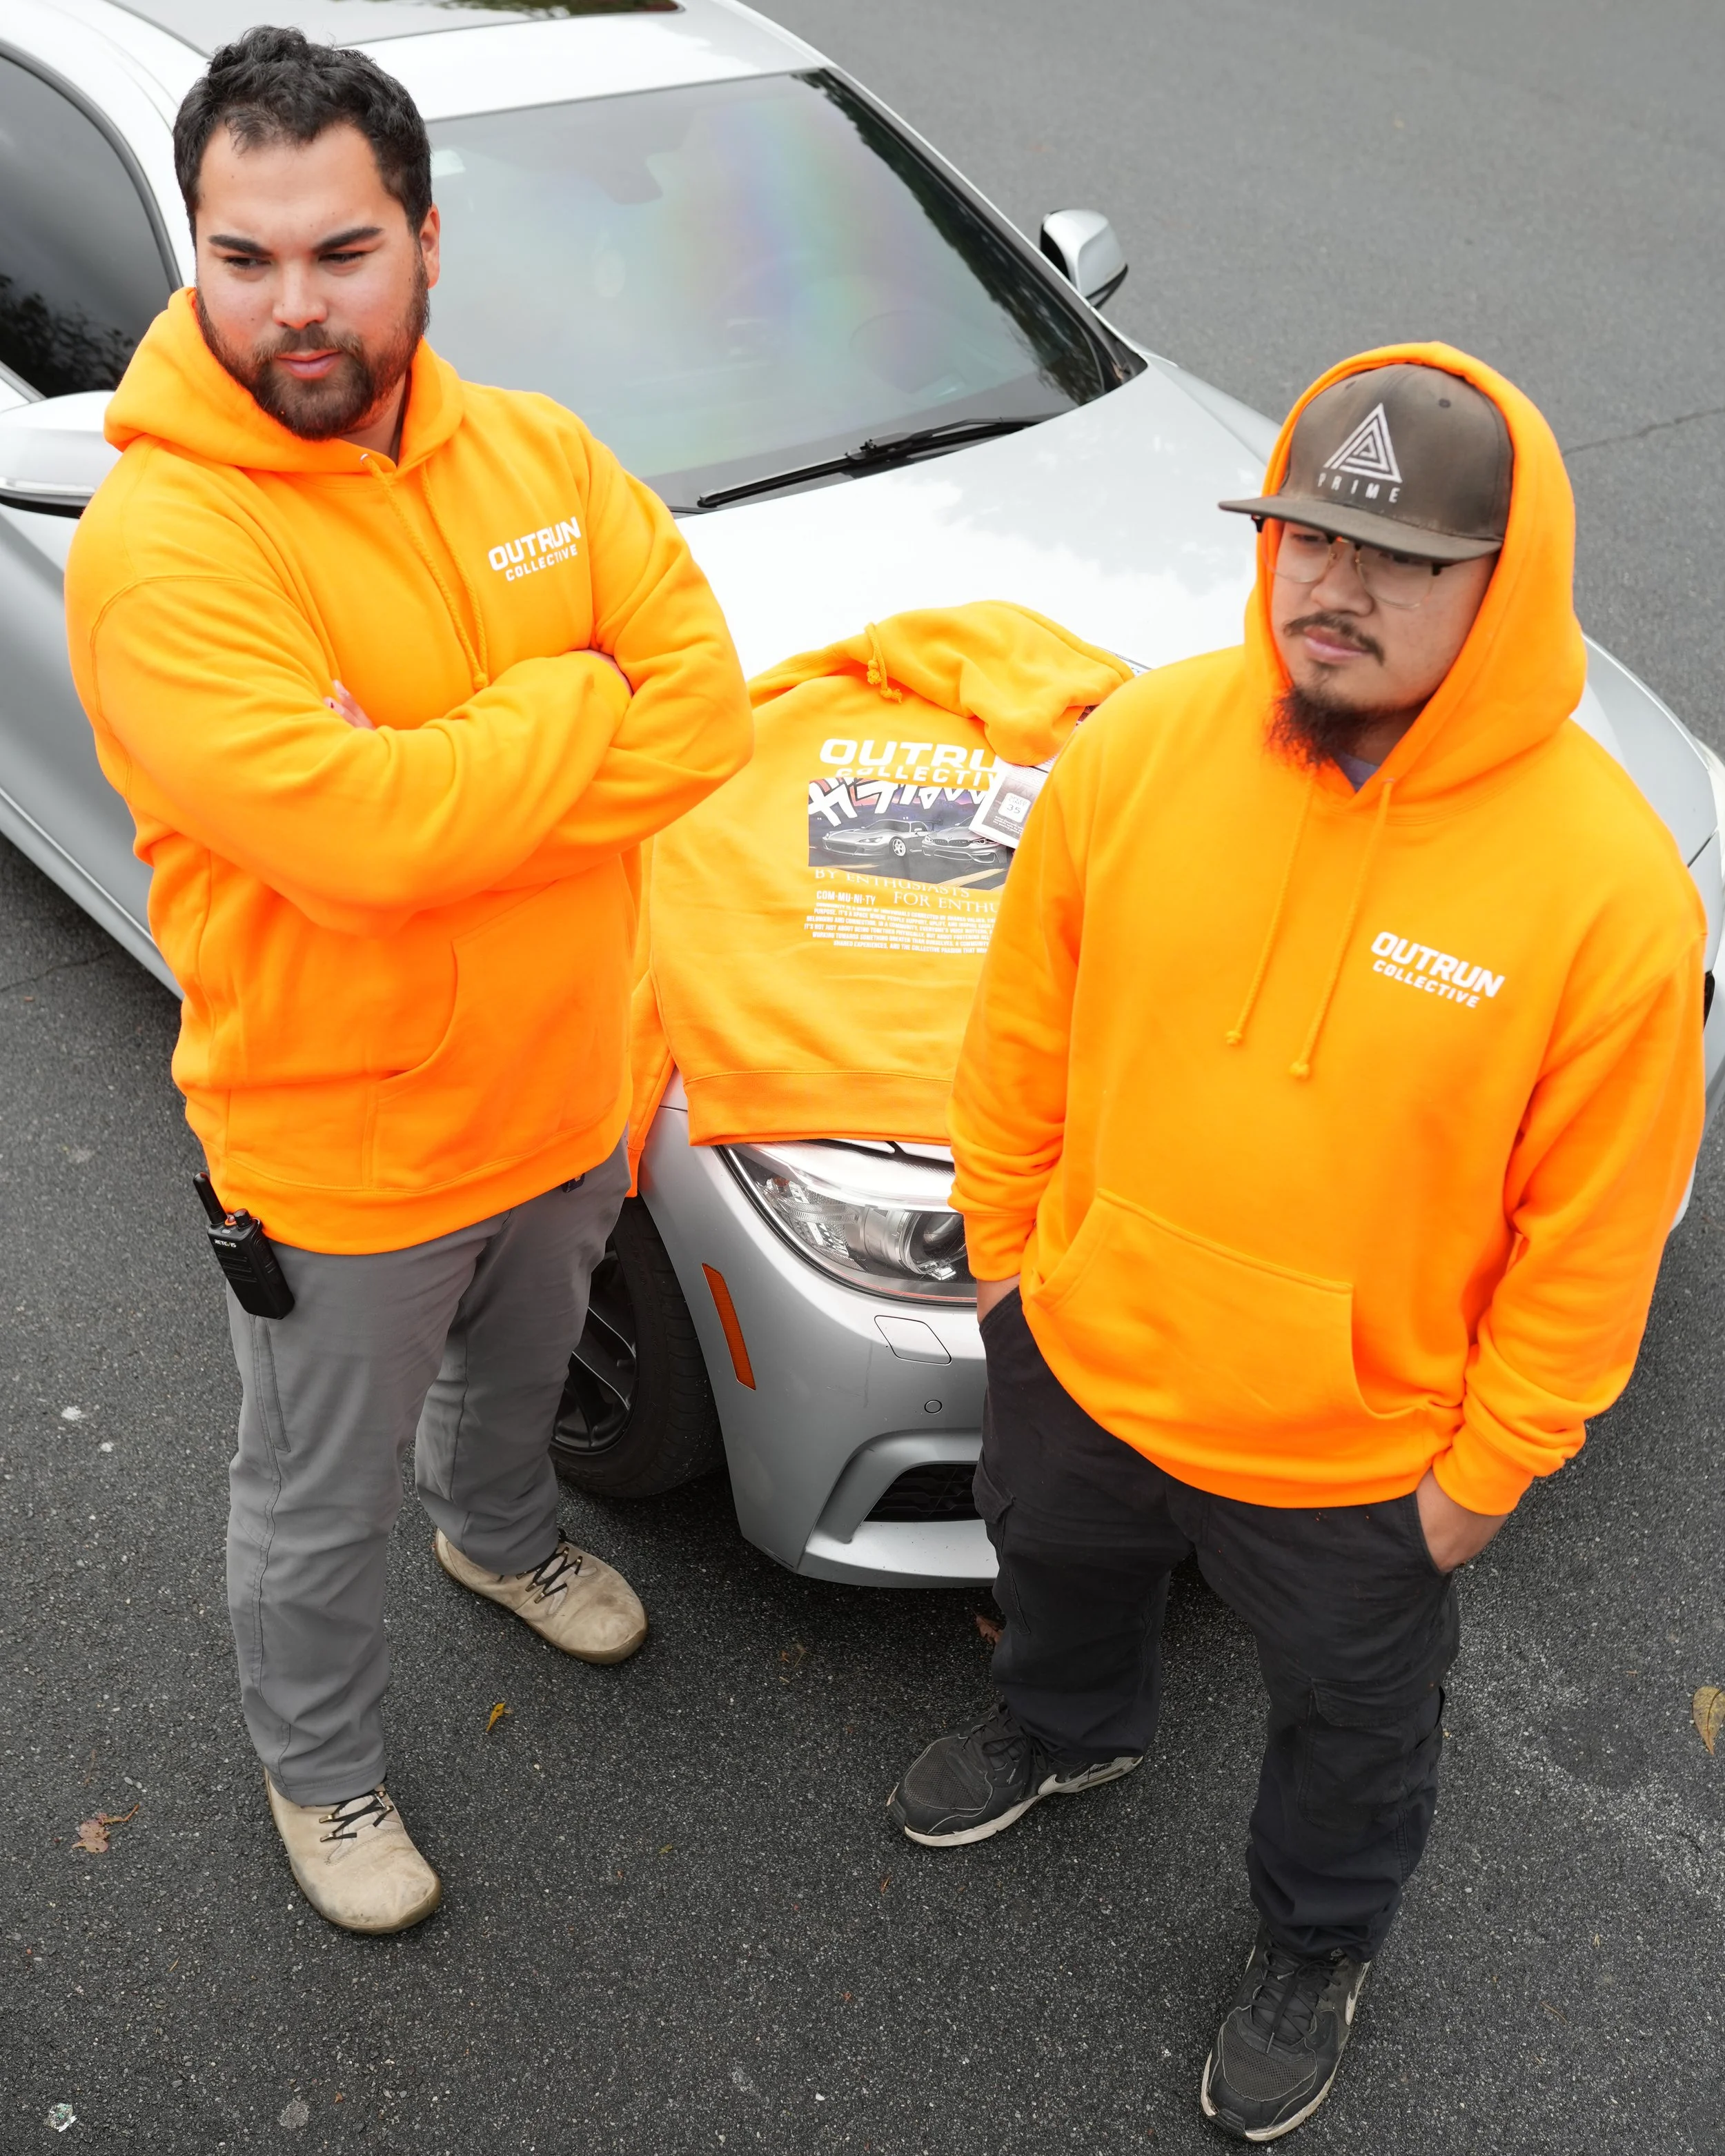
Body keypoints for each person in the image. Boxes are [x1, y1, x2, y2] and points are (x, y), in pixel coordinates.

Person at [887, 348, 1706, 2139]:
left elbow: (1593, 1232)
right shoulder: (1144, 747)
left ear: (1505, 586)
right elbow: (1020, 1021)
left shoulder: (1603, 895)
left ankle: (1310, 1937)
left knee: (1349, 1735)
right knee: (1051, 1569)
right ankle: (1068, 1725)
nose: (1328, 585)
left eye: (1396, 557)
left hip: (1354, 1461)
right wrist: (1015, 1260)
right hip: (1084, 1355)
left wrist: (1480, 1480)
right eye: (1301, 534)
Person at [64, 28, 751, 1936]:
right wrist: (561, 695)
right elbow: (356, 843)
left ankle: (504, 1539)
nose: (290, 304)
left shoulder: (537, 452)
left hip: (561, 1095)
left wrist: (442, 765)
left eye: (340, 251)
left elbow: (702, 717)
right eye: (242, 253)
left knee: (519, 1385)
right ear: (195, 251)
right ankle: (321, 1765)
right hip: (343, 1151)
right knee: (308, 1498)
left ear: (428, 243)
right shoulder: (165, 544)